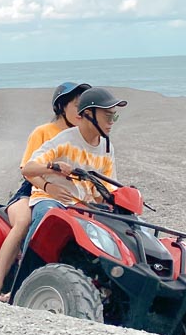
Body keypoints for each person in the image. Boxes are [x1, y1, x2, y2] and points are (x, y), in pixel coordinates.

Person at [0, 82, 91, 302]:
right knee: (23, 222)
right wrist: (49, 187)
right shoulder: (43, 132)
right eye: (77, 106)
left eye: (84, 108)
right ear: (61, 106)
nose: (81, 112)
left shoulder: (82, 138)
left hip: (67, 196)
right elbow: (27, 170)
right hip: (31, 191)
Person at [18, 87, 127, 272]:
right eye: (108, 116)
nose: (112, 122)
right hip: (52, 199)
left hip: (84, 206)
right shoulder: (64, 140)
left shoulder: (107, 147)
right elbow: (28, 168)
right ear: (88, 114)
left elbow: (107, 188)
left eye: (114, 117)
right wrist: (54, 168)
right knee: (47, 216)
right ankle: (22, 280)